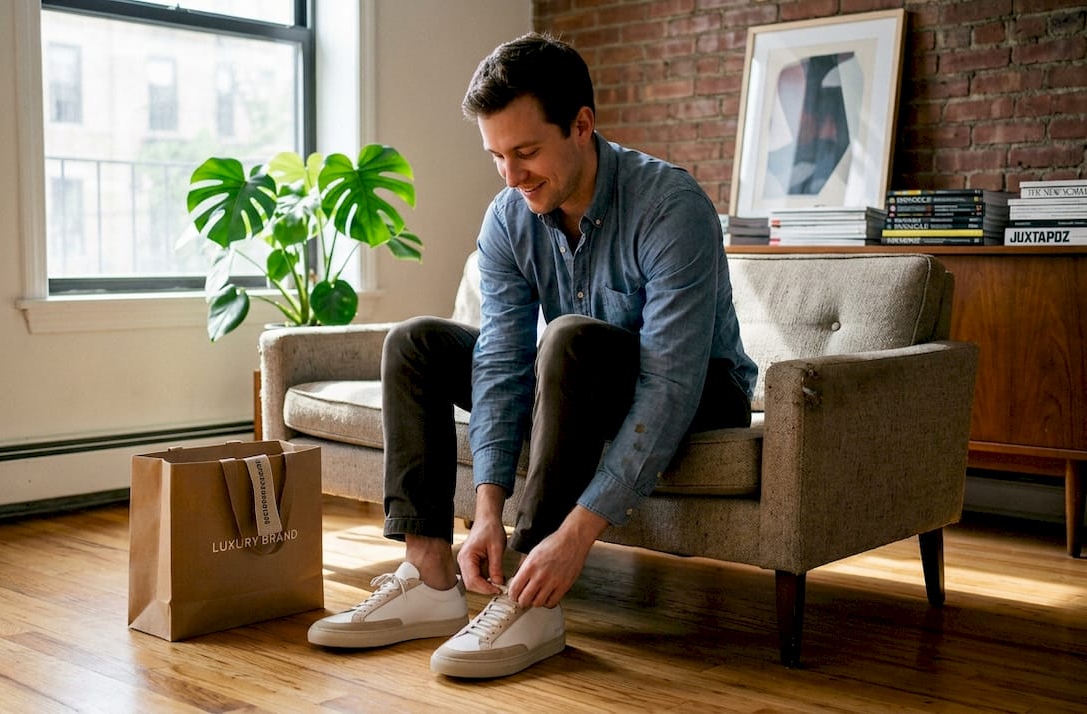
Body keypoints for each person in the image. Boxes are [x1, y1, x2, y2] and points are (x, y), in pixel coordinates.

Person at [307, 32, 758, 679]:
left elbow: (669, 387)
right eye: (496, 156)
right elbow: (501, 363)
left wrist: (573, 539)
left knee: (569, 336)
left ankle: (529, 597)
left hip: (702, 394)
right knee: (416, 343)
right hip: (577, 380)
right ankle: (431, 578)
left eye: (525, 153)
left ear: (581, 125)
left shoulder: (671, 207)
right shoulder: (507, 218)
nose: (512, 177)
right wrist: (486, 509)